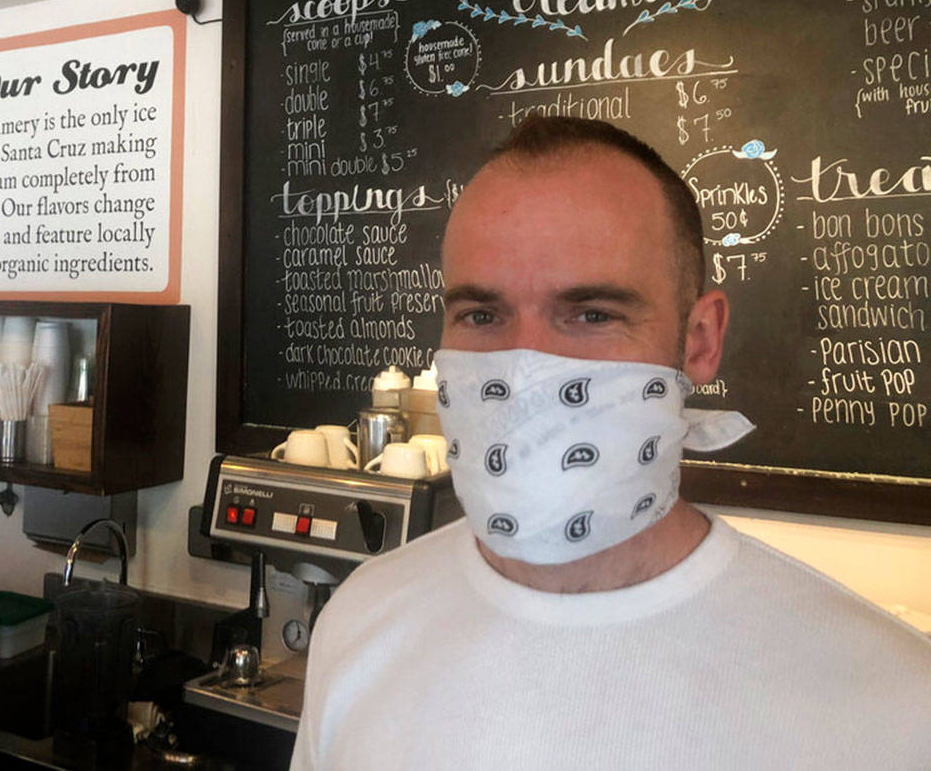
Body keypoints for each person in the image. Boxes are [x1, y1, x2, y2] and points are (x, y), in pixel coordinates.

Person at [290, 117, 931, 769]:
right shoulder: (358, 621)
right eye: (481, 315)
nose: (525, 368)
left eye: (593, 314)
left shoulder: (890, 705)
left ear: (700, 339)